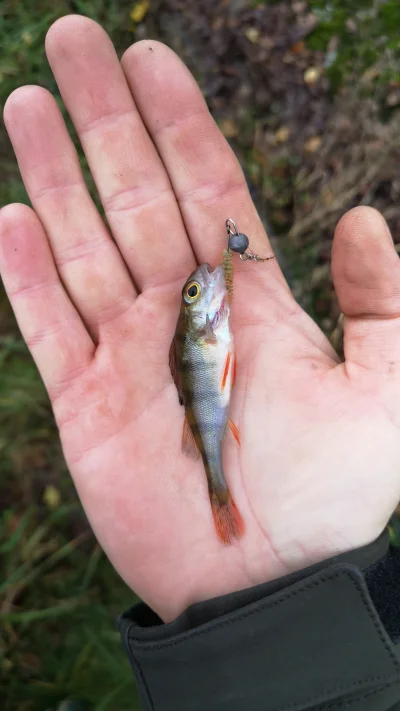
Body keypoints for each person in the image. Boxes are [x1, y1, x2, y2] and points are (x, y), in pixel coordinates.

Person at [1, 14, 400, 710]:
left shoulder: (208, 315)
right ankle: (221, 494)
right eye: (197, 292)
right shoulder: (206, 319)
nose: (204, 286)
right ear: (197, 309)